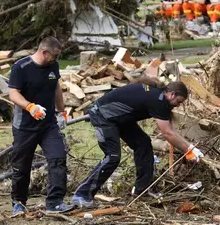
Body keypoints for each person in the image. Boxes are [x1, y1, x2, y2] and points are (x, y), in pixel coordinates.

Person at [70, 81, 204, 207]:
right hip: (103, 115)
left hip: (120, 118)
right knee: (112, 156)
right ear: (172, 94)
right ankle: (81, 195)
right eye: (178, 101)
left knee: (143, 143)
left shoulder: (158, 97)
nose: (177, 105)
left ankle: (142, 190)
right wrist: (188, 150)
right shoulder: (157, 100)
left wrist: (191, 148)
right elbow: (167, 133)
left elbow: (171, 130)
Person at [8, 37, 72, 217]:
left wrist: (62, 111)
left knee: (58, 157)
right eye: (55, 55)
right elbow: (13, 93)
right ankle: (19, 202)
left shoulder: (53, 66)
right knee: (21, 166)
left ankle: (55, 203)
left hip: (48, 125)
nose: (57, 59)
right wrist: (30, 106)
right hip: (25, 127)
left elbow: (56, 87)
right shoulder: (21, 67)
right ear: (44, 52)